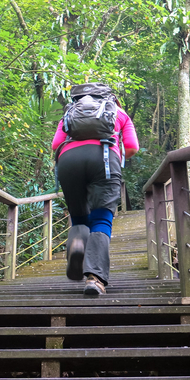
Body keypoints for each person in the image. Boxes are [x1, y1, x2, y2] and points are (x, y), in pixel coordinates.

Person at [52, 83, 139, 296]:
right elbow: (132, 147)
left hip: (68, 160)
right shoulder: (119, 113)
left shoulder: (71, 112)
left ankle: (77, 247)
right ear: (110, 97)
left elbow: (56, 145)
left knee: (80, 216)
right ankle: (95, 278)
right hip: (104, 158)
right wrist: (118, 157)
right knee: (101, 218)